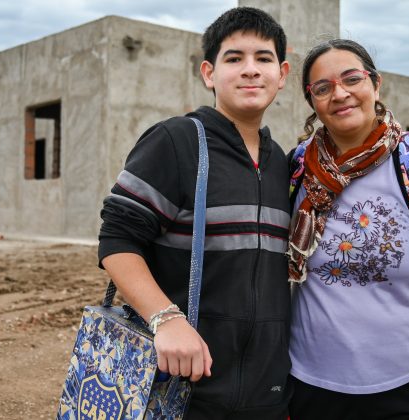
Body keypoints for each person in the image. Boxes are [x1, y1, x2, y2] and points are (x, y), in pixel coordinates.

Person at [97, 7, 292, 419]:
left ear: (283, 74)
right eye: (234, 58)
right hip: (183, 386)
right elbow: (117, 240)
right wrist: (166, 319)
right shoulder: (178, 140)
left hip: (267, 392)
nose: (250, 70)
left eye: (263, 58)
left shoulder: (283, 166)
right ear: (209, 73)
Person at [286, 39, 409, 420]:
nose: (339, 94)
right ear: (313, 103)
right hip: (309, 385)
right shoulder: (297, 168)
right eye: (322, 88)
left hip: (405, 389)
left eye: (351, 79)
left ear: (376, 84)